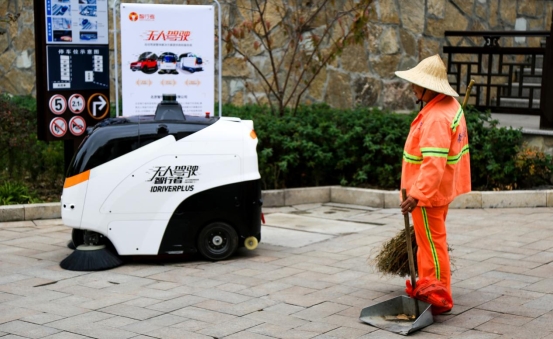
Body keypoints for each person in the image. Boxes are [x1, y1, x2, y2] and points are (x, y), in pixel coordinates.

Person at [395, 54, 471, 313]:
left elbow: (433, 163)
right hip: (437, 191)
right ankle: (432, 287)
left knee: (431, 246)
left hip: (427, 195)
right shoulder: (450, 106)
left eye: (416, 84)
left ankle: (438, 297)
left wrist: (417, 195)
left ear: (430, 88)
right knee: (431, 243)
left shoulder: (438, 116)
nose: (412, 87)